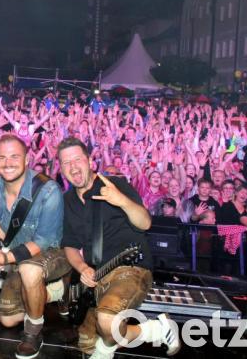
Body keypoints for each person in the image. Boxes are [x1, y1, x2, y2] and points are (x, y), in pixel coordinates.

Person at [57, 137, 179, 359]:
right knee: (87, 344)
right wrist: (82, 267)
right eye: (66, 163)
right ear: (61, 168)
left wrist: (121, 200)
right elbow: (70, 246)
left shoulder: (115, 185)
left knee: (109, 324)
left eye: (77, 159)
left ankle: (156, 330)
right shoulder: (67, 201)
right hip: (97, 276)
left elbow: (145, 223)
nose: (73, 166)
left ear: (90, 161)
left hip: (130, 269)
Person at [0, 134, 71, 359]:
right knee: (7, 319)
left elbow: (42, 242)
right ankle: (53, 292)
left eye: (14, 157)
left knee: (30, 270)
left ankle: (33, 332)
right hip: (18, 256)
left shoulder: (49, 190)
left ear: (27, 159)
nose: (7, 163)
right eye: (2, 157)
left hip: (52, 252)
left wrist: (5, 259)